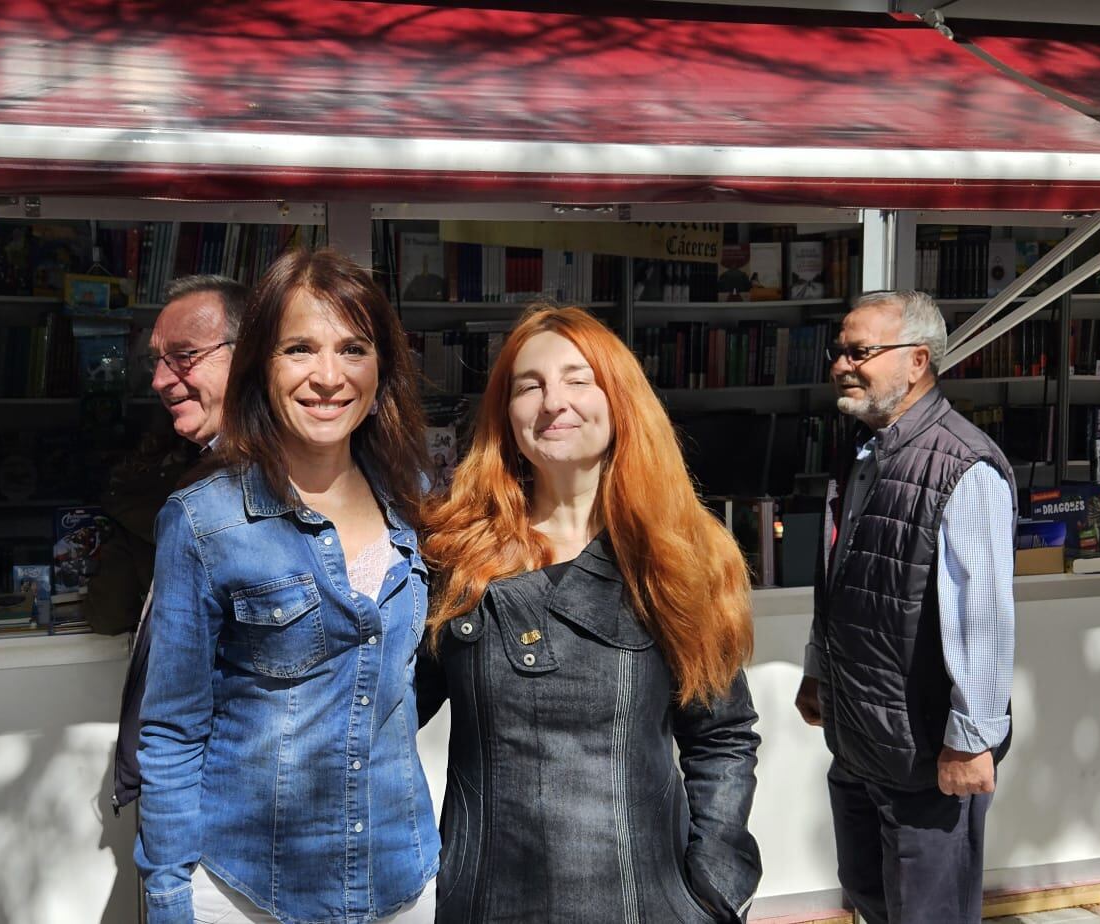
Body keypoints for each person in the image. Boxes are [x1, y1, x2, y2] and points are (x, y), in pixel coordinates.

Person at [418, 305, 762, 922]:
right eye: (530, 385)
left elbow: (722, 738)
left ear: (620, 399)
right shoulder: (456, 558)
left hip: (643, 904)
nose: (555, 402)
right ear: (506, 414)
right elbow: (384, 716)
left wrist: (713, 883)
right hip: (486, 905)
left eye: (579, 380)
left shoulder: (681, 558)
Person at [135, 248, 437, 924]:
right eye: (299, 348)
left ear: (381, 368)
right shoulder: (204, 520)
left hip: (401, 879)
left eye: (353, 348)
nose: (328, 377)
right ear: (261, 368)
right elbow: (172, 732)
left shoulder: (415, 503)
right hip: (248, 891)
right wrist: (167, 895)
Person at [793, 290, 1016, 924]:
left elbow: (984, 615)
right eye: (839, 351)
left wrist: (973, 740)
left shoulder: (963, 464)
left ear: (917, 361)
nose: (841, 364)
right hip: (861, 739)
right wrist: (819, 670)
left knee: (929, 915)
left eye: (859, 351)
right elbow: (841, 583)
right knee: (868, 895)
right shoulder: (861, 449)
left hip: (929, 757)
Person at [100, 274, 248, 815]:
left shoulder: (274, 486)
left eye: (185, 356)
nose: (161, 380)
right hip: (188, 794)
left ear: (250, 353)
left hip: (224, 807)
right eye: (158, 361)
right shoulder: (197, 481)